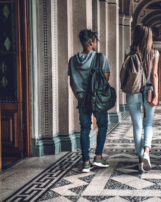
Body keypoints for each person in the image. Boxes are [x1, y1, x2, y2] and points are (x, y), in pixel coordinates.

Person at [68, 29, 110, 172]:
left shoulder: (73, 60)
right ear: (91, 41)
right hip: (97, 98)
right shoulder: (100, 58)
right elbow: (105, 78)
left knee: (84, 129)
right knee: (102, 125)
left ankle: (86, 162)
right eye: (95, 41)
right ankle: (98, 157)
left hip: (82, 99)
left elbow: (72, 82)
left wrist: (78, 96)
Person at [124, 24, 160, 171]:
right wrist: (157, 95)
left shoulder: (129, 51)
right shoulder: (154, 53)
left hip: (132, 91)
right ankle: (146, 152)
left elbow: (126, 70)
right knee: (148, 124)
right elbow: (155, 75)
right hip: (149, 90)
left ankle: (140, 159)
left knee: (137, 126)